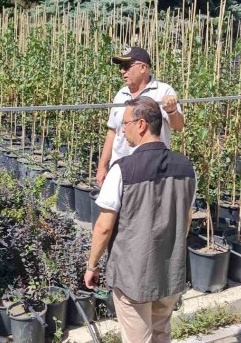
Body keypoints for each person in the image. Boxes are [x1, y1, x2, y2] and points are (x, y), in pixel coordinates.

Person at [85, 96, 196, 343]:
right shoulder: (186, 167)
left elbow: (103, 227)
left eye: (125, 123)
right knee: (161, 332)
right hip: (170, 271)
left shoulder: (122, 170)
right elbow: (186, 219)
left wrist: (92, 266)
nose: (122, 130)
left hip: (133, 275)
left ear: (142, 125)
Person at [95, 47, 185, 186]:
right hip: (120, 169)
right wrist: (102, 166)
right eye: (121, 67)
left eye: (127, 66)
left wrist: (172, 111)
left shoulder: (163, 91)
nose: (122, 71)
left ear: (143, 67)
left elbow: (179, 126)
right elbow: (112, 131)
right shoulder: (121, 94)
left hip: (151, 171)